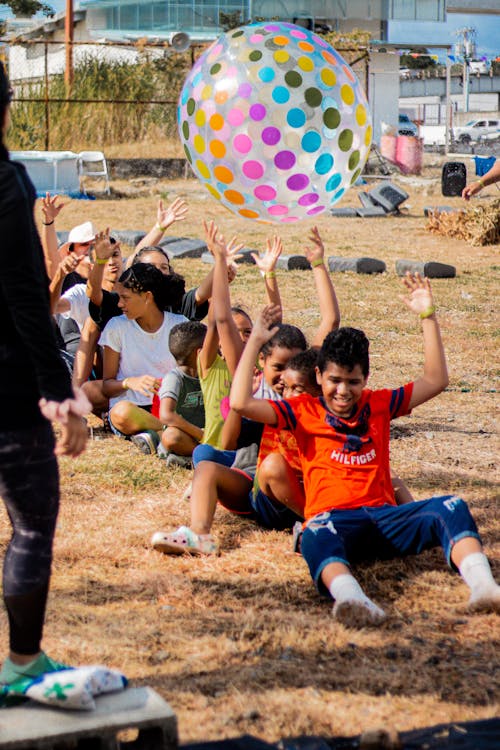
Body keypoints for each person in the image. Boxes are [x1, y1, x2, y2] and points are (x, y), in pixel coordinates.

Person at [229, 278, 500, 627]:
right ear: (318, 376)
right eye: (334, 381)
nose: (343, 392)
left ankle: (483, 586)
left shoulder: (380, 404)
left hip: (387, 521)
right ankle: (351, 598)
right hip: (336, 524)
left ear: (366, 379)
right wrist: (254, 341)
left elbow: (435, 380)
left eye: (353, 382)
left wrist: (428, 317)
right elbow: (239, 402)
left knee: (451, 506)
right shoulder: (302, 411)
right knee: (312, 532)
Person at [0, 62, 89, 689]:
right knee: (31, 523)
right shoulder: (6, 183)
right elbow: (25, 294)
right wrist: (59, 391)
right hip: (6, 386)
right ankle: (23, 662)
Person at [101, 263, 188, 453]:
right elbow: (106, 386)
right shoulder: (117, 327)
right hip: (135, 410)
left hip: (171, 407)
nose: (119, 304)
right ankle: (170, 433)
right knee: (120, 413)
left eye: (125, 298)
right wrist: (129, 383)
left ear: (147, 297)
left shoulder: (179, 325)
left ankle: (155, 435)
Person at [158, 321, 206, 468]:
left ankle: (192, 460)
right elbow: (166, 415)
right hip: (188, 437)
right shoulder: (175, 378)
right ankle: (202, 457)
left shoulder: (211, 374)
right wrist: (200, 435)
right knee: (171, 437)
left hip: (210, 434)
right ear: (200, 352)